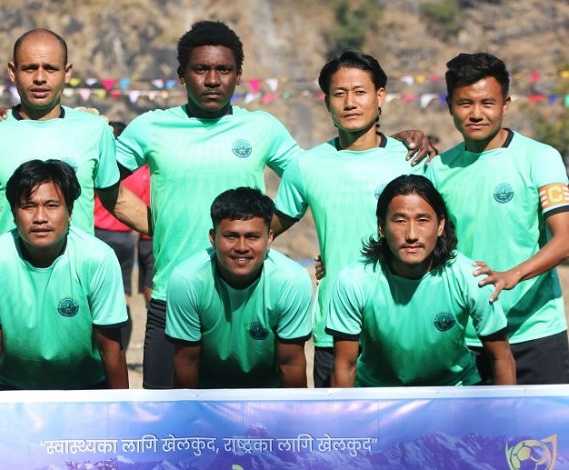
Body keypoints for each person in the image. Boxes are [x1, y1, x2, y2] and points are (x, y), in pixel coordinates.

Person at [116, 21, 436, 389]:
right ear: (181, 75)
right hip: (172, 293)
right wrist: (156, 223)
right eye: (201, 69)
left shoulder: (263, 128)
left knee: (260, 417)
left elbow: (330, 170)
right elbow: (104, 180)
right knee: (169, 414)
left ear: (239, 76)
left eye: (223, 70)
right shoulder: (150, 127)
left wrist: (388, 143)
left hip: (252, 298)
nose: (213, 80)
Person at [271, 51, 421, 388]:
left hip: (405, 326)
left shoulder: (414, 159)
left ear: (380, 96)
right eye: (339, 93)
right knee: (336, 423)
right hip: (335, 330)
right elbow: (262, 234)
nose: (350, 102)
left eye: (360, 92)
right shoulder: (306, 166)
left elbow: (442, 236)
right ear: (327, 102)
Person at [425, 52, 569, 384]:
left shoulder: (539, 158)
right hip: (466, 337)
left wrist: (512, 275)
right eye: (465, 103)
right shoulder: (438, 170)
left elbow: (565, 239)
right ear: (450, 107)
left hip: (534, 333)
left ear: (505, 105)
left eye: (487, 103)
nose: (476, 113)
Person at [0, 29, 147, 249]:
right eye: (29, 68)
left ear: (67, 72)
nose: (40, 78)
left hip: (76, 270)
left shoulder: (95, 129)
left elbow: (117, 200)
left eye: (50, 68)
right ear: (12, 72)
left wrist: (173, 231)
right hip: (7, 271)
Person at [326, 175, 516, 387]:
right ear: (381, 227)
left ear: (440, 225)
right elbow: (345, 366)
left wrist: (507, 408)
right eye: (400, 221)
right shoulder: (354, 280)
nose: (411, 235)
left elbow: (501, 358)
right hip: (377, 393)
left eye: (422, 220)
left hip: (454, 392)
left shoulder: (471, 277)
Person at [0, 159, 129, 390]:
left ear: (70, 211)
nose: (40, 217)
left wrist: (121, 409)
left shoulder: (98, 259)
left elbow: (111, 349)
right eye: (28, 206)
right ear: (13, 213)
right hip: (14, 388)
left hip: (87, 387)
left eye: (52, 205)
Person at [166, 187, 311, 388]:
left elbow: (290, 363)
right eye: (231, 236)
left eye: (252, 237)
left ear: (269, 238)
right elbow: (187, 363)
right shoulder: (187, 280)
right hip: (208, 392)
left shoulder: (291, 281)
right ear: (212, 238)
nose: (242, 247)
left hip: (269, 391)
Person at [93, 121, 154, 350]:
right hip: (125, 239)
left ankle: (99, 349)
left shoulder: (100, 169)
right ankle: (121, 352)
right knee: (124, 298)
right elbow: (146, 207)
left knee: (95, 297)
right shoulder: (142, 174)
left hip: (98, 236)